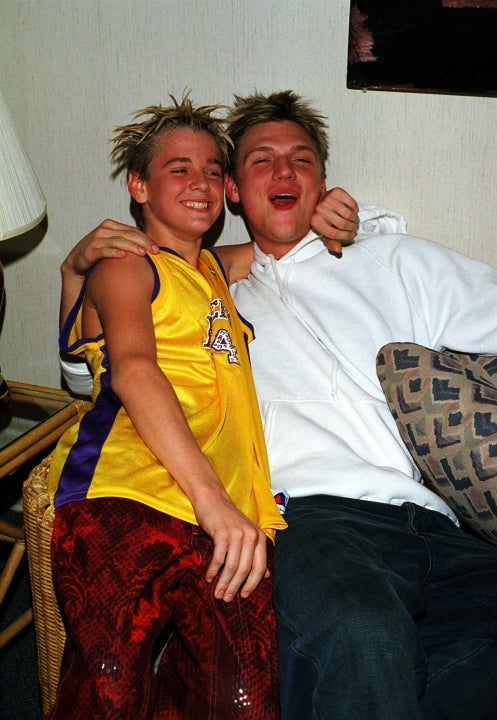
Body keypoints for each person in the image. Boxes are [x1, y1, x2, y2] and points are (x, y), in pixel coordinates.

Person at [62, 90, 497, 719]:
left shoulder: (394, 263)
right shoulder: (215, 287)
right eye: (261, 160)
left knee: (404, 667)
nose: (284, 171)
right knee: (364, 638)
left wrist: (366, 222)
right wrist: (74, 273)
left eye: (302, 160)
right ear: (236, 191)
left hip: (436, 521)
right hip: (314, 521)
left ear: (323, 182)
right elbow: (95, 374)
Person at [46, 95, 287, 720]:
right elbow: (132, 369)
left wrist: (328, 208)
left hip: (227, 520)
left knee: (243, 701)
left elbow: (276, 241)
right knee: (109, 691)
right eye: (178, 169)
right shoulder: (125, 265)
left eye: (212, 170)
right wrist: (213, 502)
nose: (200, 182)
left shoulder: (214, 270)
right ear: (139, 187)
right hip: (129, 496)